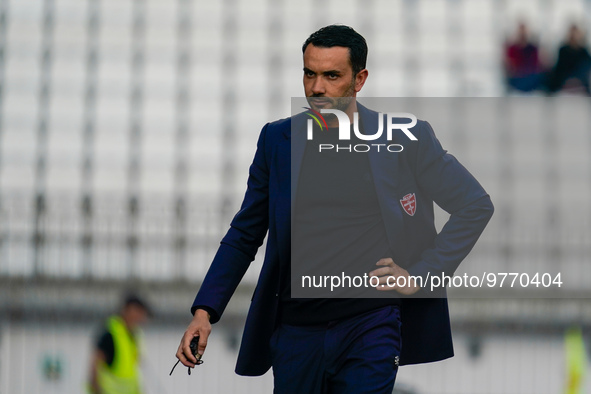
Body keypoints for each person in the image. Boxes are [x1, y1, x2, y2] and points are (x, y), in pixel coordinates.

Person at [176, 25, 494, 393]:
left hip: (371, 324)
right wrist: (205, 312)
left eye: (331, 75)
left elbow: (474, 204)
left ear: (359, 79)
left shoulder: (406, 137)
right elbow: (245, 233)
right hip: (295, 331)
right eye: (310, 73)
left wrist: (423, 274)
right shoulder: (277, 141)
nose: (317, 87)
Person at [88, 294, 150, 394]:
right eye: (139, 313)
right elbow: (95, 367)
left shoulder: (134, 335)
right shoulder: (110, 333)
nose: (141, 318)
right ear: (129, 310)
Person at [547, 24, 591, 95]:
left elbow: (587, 66)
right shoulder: (563, 50)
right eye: (572, 33)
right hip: (565, 78)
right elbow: (559, 67)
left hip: (579, 78)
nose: (573, 35)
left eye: (575, 33)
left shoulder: (583, 51)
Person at [503, 22, 544, 93]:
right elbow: (511, 67)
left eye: (524, 31)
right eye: (520, 31)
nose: (522, 33)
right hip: (518, 78)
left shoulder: (532, 48)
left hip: (531, 77)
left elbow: (536, 64)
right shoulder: (512, 48)